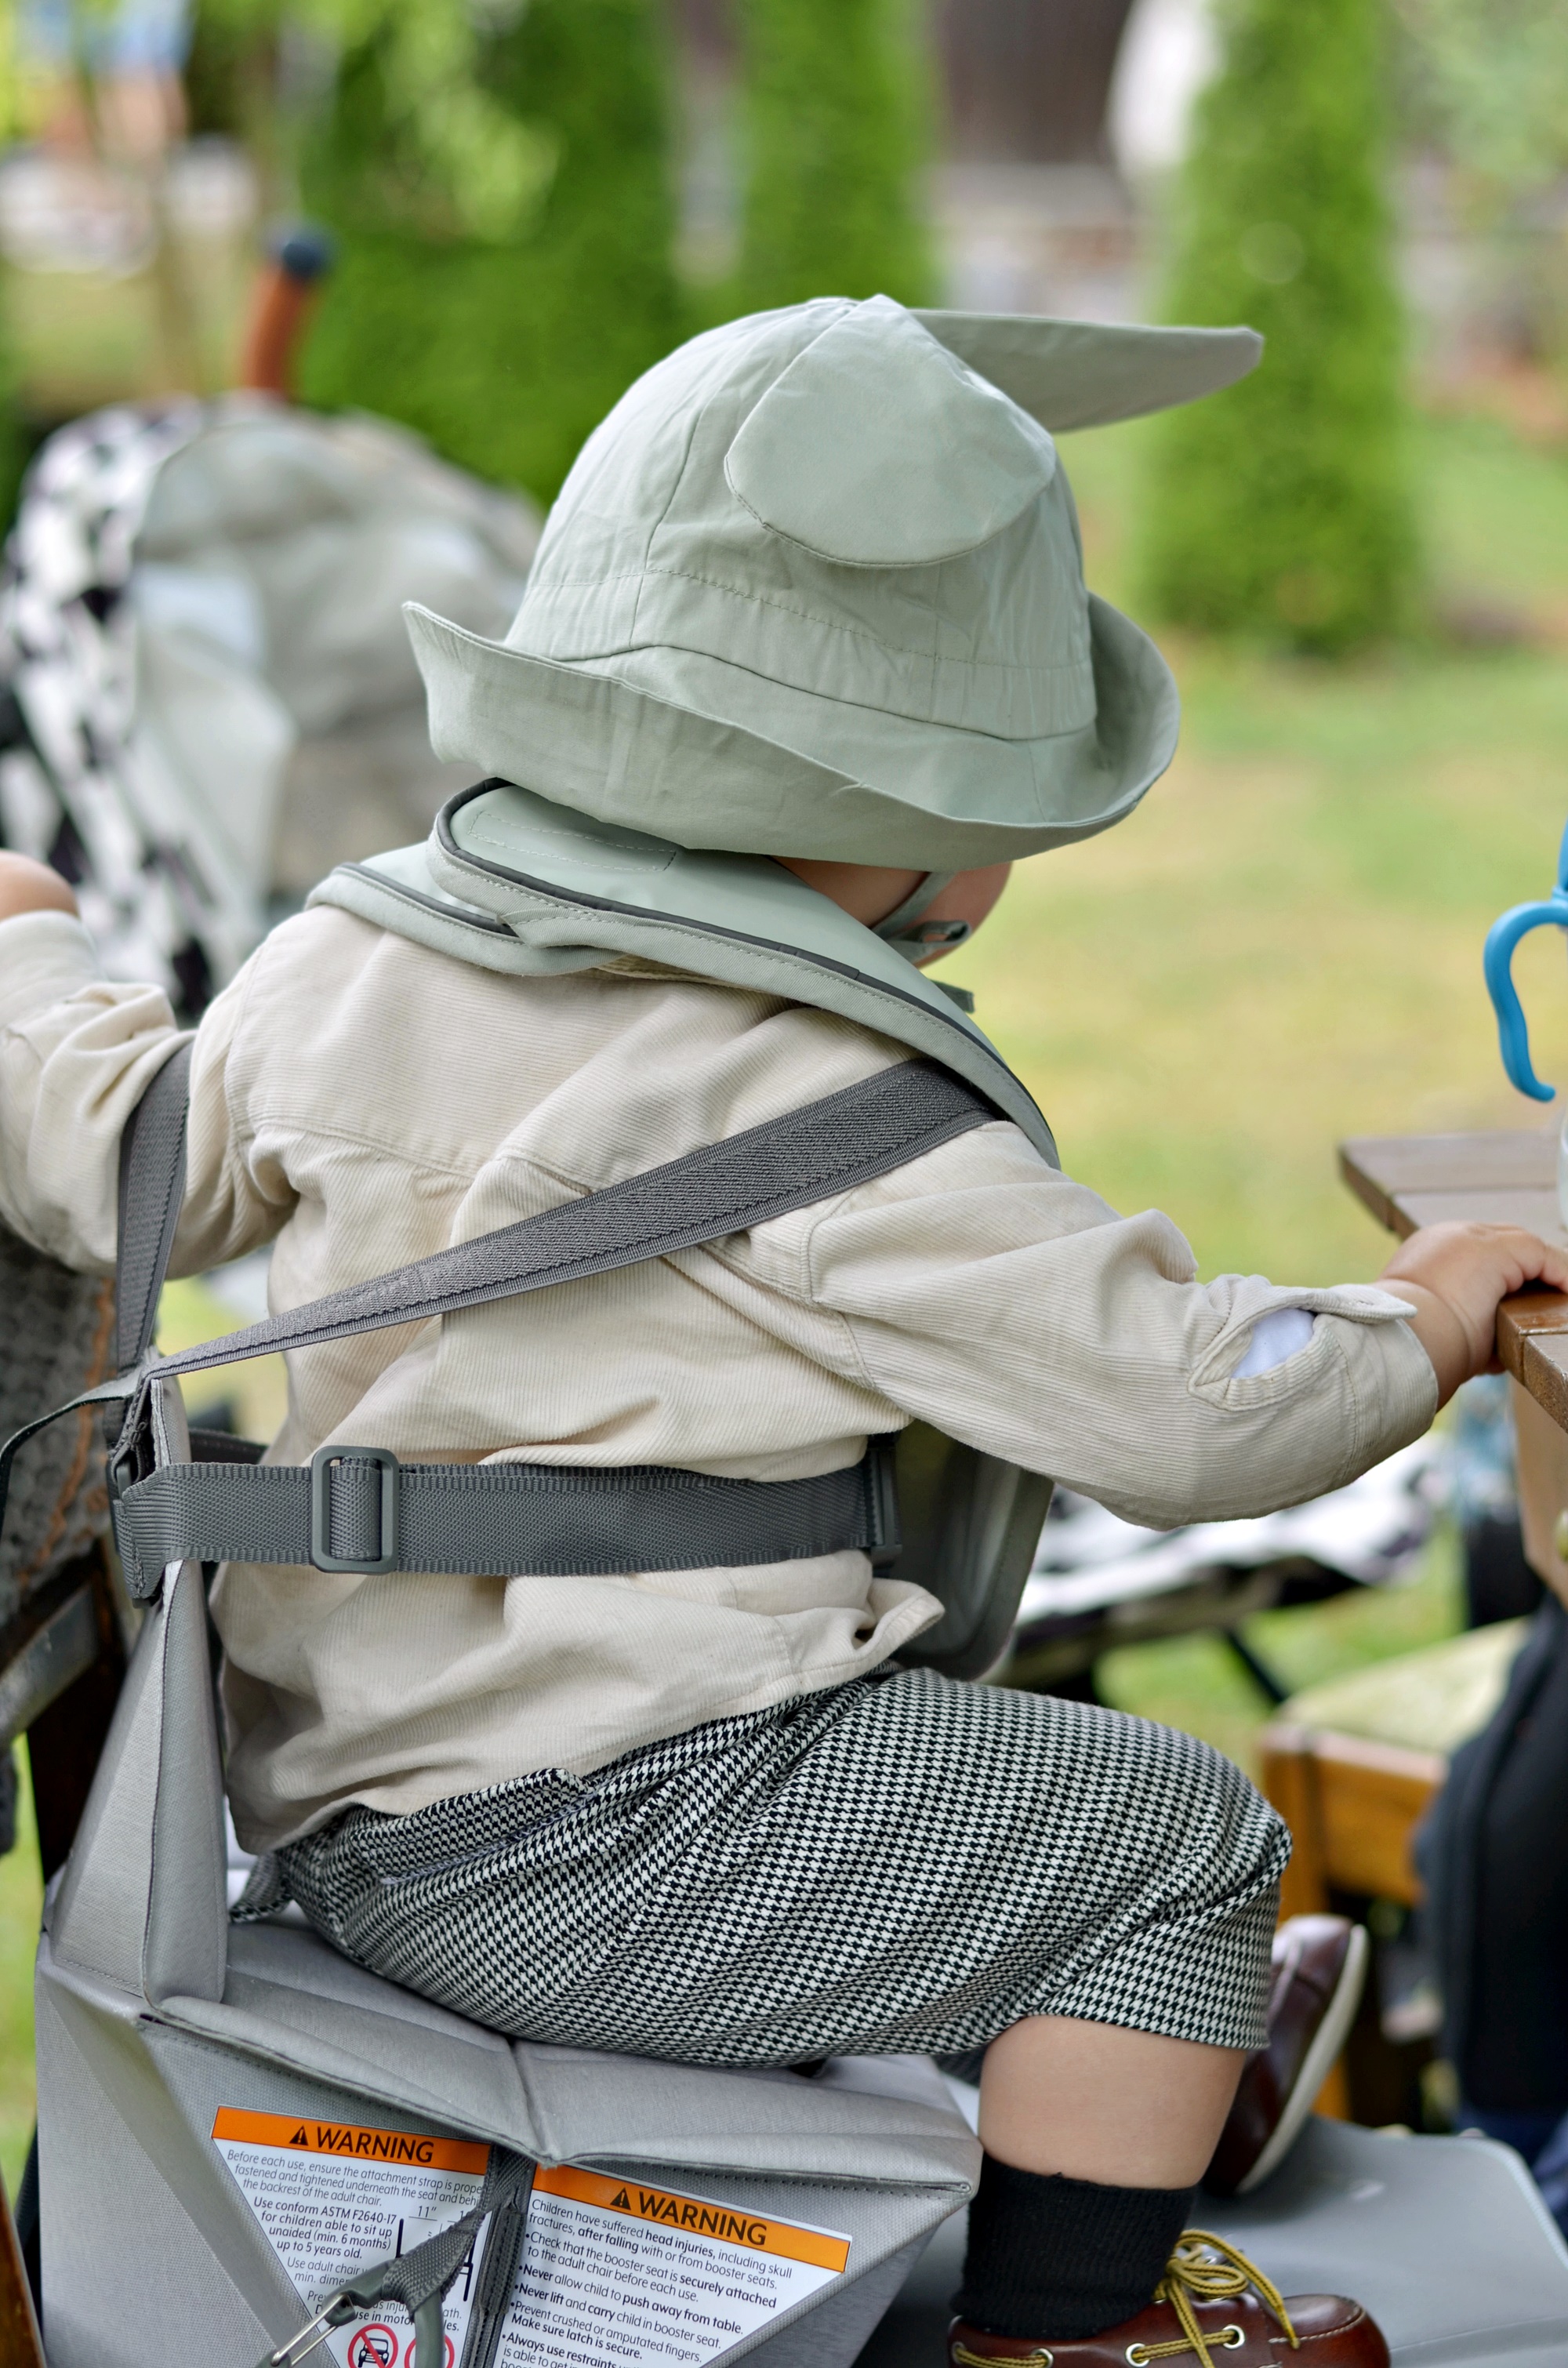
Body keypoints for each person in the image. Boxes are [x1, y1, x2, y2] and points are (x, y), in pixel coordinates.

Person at [2, 296, 1563, 2366]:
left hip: (338, 1800)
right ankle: (1074, 2319)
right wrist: (1431, 1307)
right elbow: (1191, 1412)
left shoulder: (360, 948)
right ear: (922, 825)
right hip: (616, 1839)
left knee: (993, 1790)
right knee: (1172, 1840)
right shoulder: (830, 1111)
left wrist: (31, 955)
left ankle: (1095, 2078)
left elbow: (130, 1152)